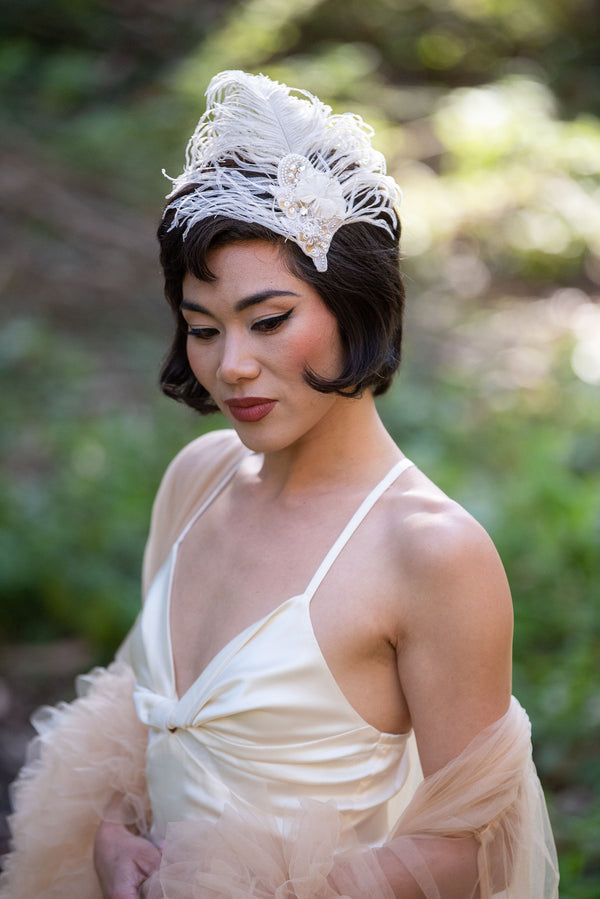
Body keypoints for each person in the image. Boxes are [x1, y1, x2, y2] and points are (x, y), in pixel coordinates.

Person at [1, 70, 558, 899]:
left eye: (268, 321)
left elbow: (473, 845)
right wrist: (113, 834)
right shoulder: (198, 477)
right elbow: (138, 717)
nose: (232, 366)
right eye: (201, 327)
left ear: (358, 308)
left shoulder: (431, 551)